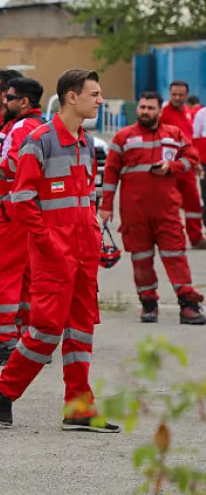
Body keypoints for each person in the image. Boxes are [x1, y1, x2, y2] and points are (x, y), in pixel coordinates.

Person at [0, 69, 119, 433]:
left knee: (80, 331)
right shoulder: (40, 140)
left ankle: (79, 408)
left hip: (83, 253)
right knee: (46, 331)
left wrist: (94, 238)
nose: (100, 99)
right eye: (94, 93)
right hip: (53, 255)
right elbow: (21, 199)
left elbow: (84, 202)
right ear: (71, 97)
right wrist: (48, 243)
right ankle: (5, 388)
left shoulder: (87, 143)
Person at [100, 92, 205, 325]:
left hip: (167, 212)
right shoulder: (122, 138)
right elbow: (110, 173)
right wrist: (106, 206)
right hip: (134, 215)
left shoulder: (174, 134)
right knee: (141, 261)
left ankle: (188, 305)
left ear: (160, 110)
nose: (145, 112)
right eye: (142, 107)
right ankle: (148, 305)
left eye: (150, 108)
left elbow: (192, 157)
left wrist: (172, 166)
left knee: (176, 257)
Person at [0, 76, 47, 366]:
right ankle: (31, 341)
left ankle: (5, 342)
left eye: (10, 97)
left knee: (3, 276)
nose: (4, 102)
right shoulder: (44, 127)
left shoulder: (21, 127)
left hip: (12, 211)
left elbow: (17, 164)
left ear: (24, 102)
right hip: (31, 211)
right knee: (29, 277)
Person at [160, 80, 206, 249]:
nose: (177, 98)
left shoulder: (188, 112)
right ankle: (172, 238)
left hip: (187, 166)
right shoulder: (163, 113)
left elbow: (190, 139)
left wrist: (196, 162)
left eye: (181, 95)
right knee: (170, 206)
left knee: (193, 202)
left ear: (186, 95)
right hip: (171, 166)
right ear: (169, 94)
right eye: (174, 95)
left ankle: (196, 237)